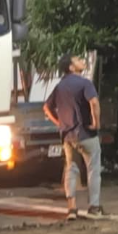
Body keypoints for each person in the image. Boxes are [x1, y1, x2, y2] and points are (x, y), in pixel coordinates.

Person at [43, 52, 104, 220]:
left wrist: (59, 123)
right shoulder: (85, 83)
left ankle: (72, 208)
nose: (82, 61)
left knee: (71, 169)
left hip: (68, 136)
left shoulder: (60, 86)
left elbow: (46, 108)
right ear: (71, 67)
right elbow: (94, 102)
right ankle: (94, 206)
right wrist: (96, 122)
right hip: (86, 133)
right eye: (78, 60)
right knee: (93, 169)